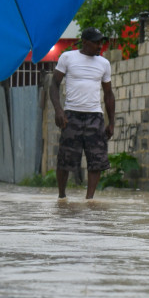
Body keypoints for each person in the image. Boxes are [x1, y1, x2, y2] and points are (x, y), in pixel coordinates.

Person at [49, 27, 116, 200]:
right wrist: (58, 110)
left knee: (97, 160)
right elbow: (54, 84)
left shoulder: (104, 63)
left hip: (95, 117)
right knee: (65, 160)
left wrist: (112, 122)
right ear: (85, 42)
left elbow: (108, 94)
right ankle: (62, 197)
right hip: (71, 116)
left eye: (101, 42)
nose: (99, 46)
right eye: (96, 42)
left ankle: (89, 200)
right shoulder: (68, 57)